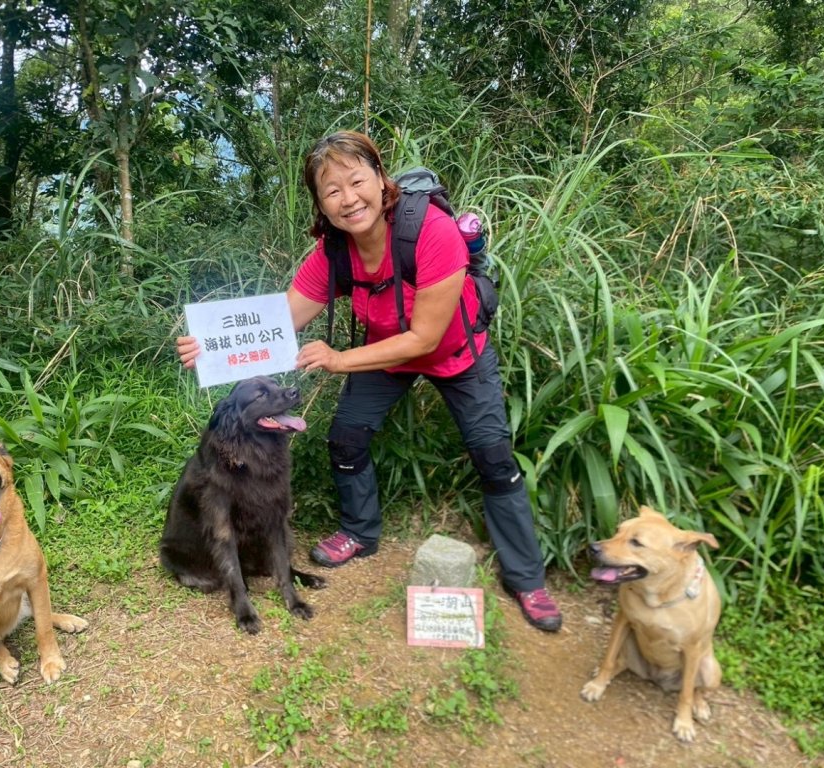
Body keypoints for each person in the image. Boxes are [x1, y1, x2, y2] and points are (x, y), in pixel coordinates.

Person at [176, 130, 562, 632]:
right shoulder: (333, 253)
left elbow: (425, 338)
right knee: (346, 437)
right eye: (331, 191)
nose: (347, 198)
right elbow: (283, 319)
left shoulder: (433, 233)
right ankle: (360, 531)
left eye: (356, 180)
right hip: (384, 352)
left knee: (493, 455)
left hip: (455, 353)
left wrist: (340, 359)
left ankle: (527, 578)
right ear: (320, 204)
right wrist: (213, 349)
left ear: (382, 180)